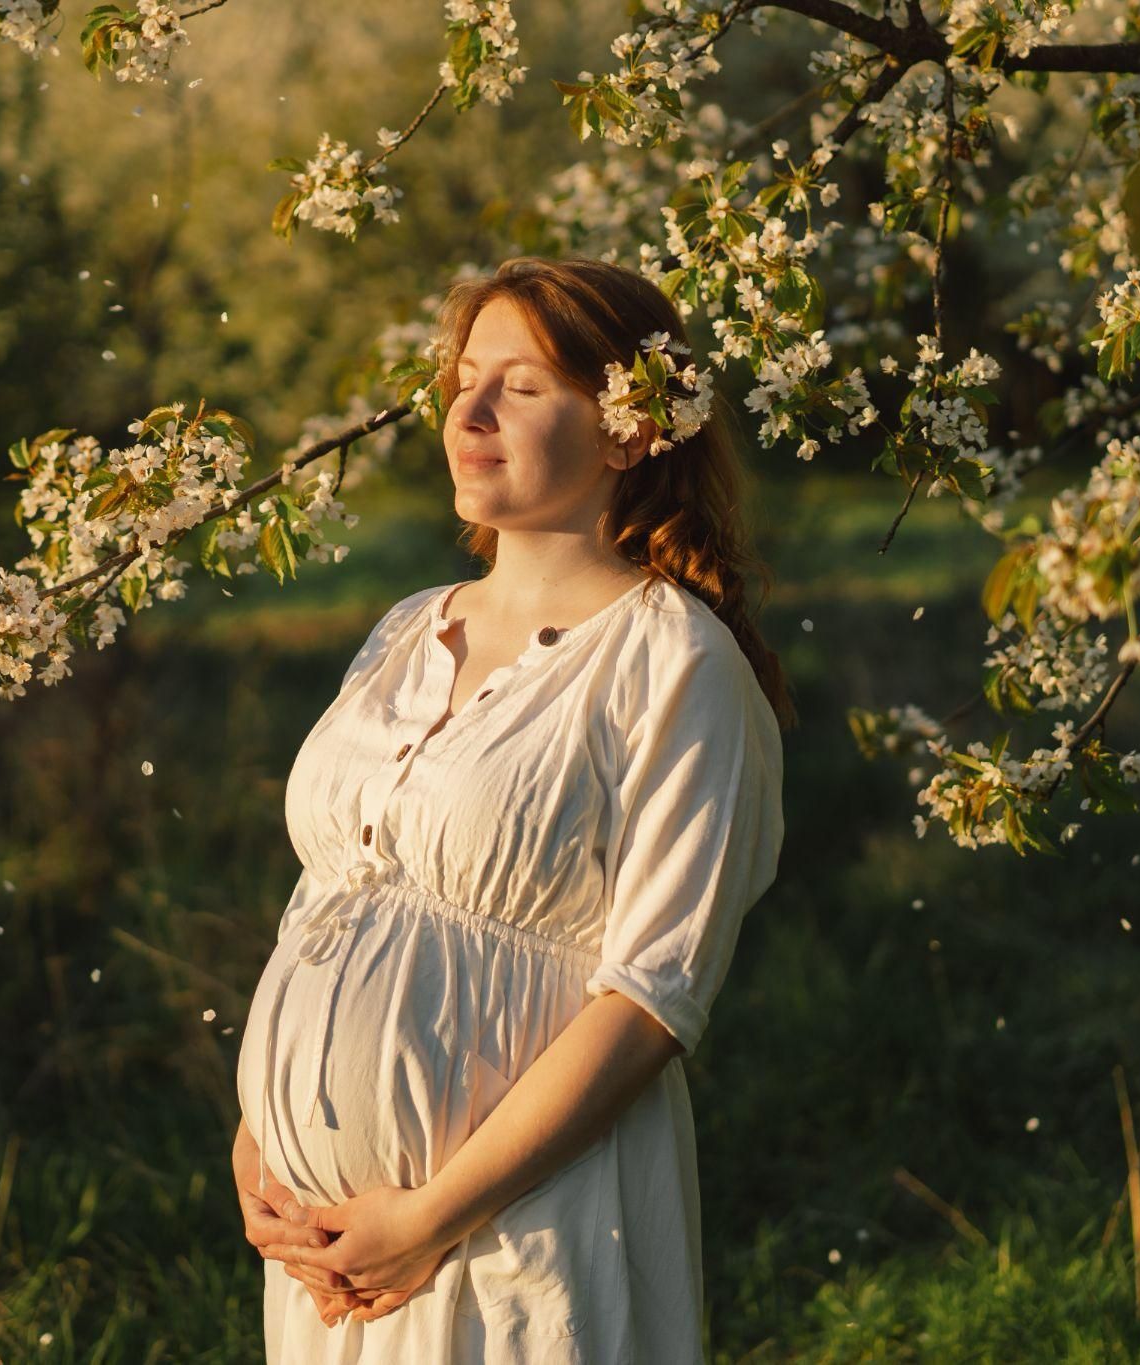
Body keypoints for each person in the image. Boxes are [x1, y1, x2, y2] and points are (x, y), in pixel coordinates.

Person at [233, 254, 796, 1362]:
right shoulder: (405, 629)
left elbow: (650, 1000)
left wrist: (430, 1218)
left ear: (628, 428)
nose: (470, 412)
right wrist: (263, 1143)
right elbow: (330, 901)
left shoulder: (673, 663)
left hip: (517, 1236)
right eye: (464, 379)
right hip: (331, 1253)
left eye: (523, 386)